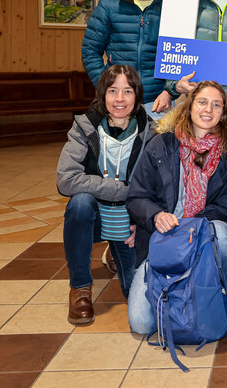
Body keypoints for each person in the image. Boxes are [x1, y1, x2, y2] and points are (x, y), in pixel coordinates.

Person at [125, 80, 227, 335]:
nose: (208, 110)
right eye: (202, 102)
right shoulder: (161, 143)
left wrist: (192, 227)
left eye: (216, 105)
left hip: (205, 234)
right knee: (141, 324)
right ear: (190, 105)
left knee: (223, 235)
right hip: (163, 238)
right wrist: (155, 215)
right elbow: (136, 197)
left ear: (224, 112)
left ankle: (223, 288)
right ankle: (185, 286)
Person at [57, 64, 157, 326]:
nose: (120, 99)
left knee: (137, 299)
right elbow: (66, 180)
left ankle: (116, 249)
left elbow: (156, 188)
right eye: (113, 90)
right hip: (94, 218)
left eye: (127, 91)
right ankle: (80, 288)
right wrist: (121, 189)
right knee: (80, 203)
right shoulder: (85, 127)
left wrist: (142, 221)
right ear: (102, 93)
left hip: (129, 221)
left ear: (137, 96)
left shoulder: (152, 134)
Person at [82, 0, 173, 120]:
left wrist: (170, 92)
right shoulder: (108, 5)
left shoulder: (171, 5)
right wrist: (108, 89)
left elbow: (182, 54)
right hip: (118, 104)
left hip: (159, 104)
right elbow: (90, 51)